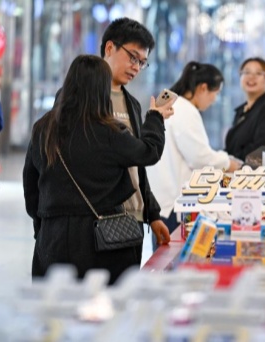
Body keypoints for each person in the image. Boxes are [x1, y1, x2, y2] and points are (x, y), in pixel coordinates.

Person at [23, 55, 174, 284]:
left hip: (52, 238)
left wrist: (43, 229)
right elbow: (148, 152)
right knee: (102, 311)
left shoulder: (43, 128)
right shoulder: (108, 131)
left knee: (56, 311)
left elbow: (31, 188)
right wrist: (155, 118)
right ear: (102, 89)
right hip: (101, 243)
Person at [147, 61, 242, 250]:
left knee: (163, 262)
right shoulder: (185, 110)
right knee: (175, 263)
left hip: (161, 201)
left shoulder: (171, 105)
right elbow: (200, 157)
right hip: (175, 205)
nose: (214, 100)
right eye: (215, 94)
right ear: (203, 88)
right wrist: (229, 163)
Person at [100, 18, 171, 253]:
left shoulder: (132, 103)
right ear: (110, 48)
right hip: (99, 220)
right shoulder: (83, 98)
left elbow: (137, 165)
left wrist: (152, 213)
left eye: (142, 62)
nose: (136, 67)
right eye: (133, 57)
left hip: (133, 221)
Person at [225, 57, 265, 162]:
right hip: (238, 175)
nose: (251, 77)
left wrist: (231, 161)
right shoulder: (241, 111)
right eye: (246, 72)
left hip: (261, 176)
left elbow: (261, 153)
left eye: (258, 73)